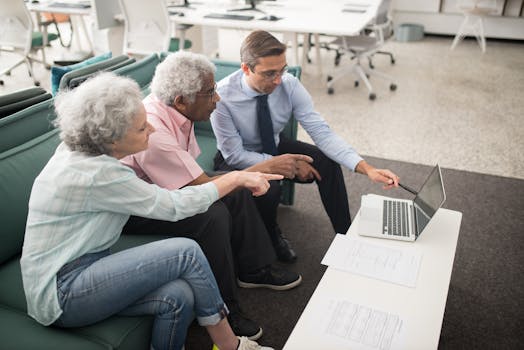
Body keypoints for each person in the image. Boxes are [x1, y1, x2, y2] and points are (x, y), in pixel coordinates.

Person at [20, 72, 276, 350]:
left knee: (178, 296)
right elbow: (175, 207)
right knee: (185, 251)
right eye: (143, 128)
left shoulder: (82, 151)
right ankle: (230, 345)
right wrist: (236, 178)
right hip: (61, 292)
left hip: (84, 268)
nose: (152, 130)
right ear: (113, 139)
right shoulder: (99, 173)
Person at [121, 51, 305, 340]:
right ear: (182, 99)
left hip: (160, 188)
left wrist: (241, 178)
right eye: (210, 93)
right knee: (212, 214)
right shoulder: (156, 130)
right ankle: (225, 311)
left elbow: (193, 177)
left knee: (235, 187)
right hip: (132, 210)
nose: (217, 99)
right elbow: (199, 186)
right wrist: (258, 169)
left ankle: (253, 270)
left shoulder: (178, 112)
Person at [211, 30, 400, 254]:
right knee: (267, 187)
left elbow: (322, 132)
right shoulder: (222, 96)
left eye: (282, 70)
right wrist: (284, 164)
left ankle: (346, 237)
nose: (278, 80)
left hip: (273, 144)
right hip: (238, 157)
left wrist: (366, 168)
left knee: (327, 162)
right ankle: (272, 235)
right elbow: (234, 154)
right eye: (269, 73)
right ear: (246, 68)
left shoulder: (288, 84)